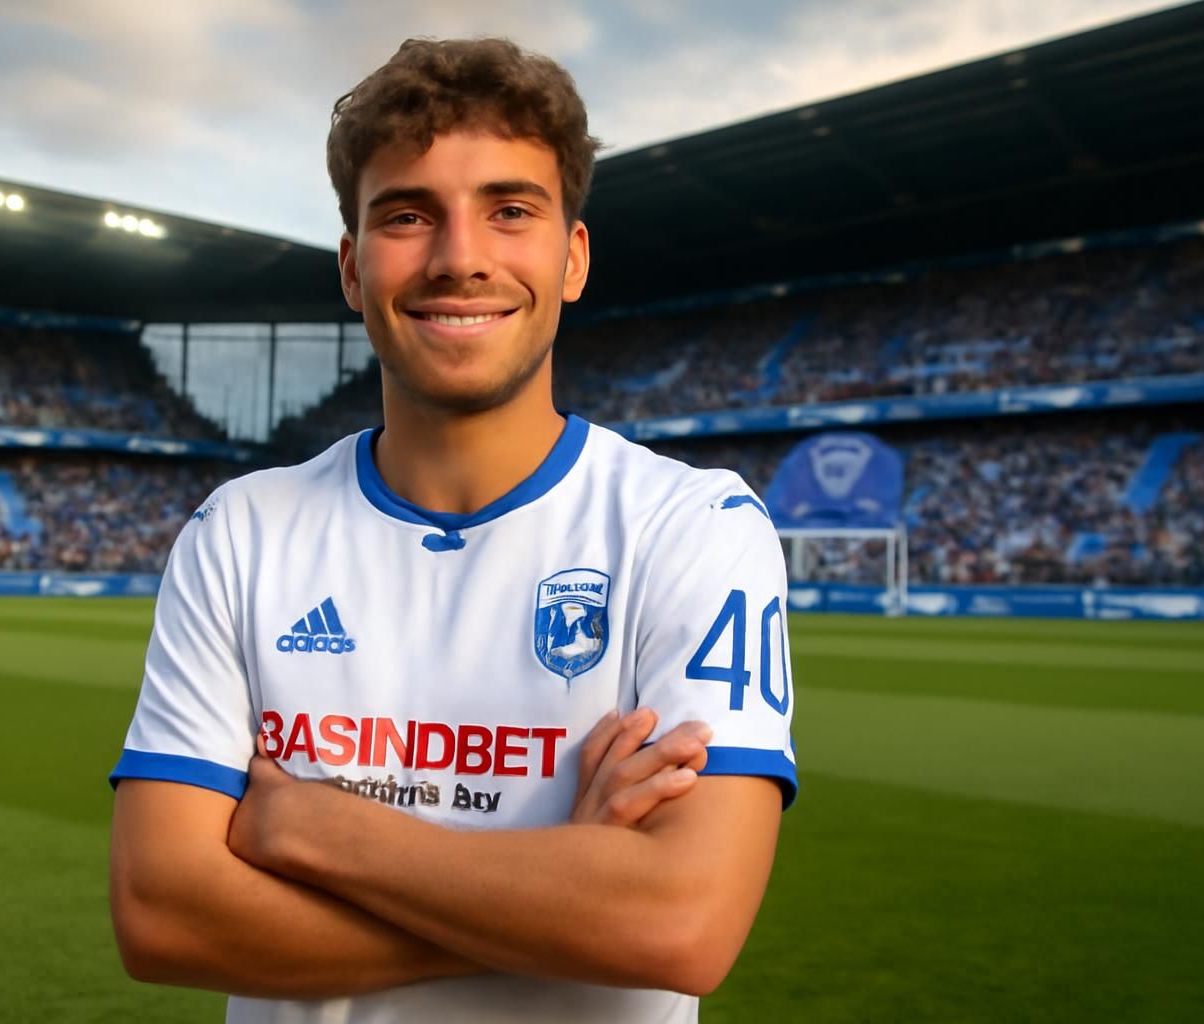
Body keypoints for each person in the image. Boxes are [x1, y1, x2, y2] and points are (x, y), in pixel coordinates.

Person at [107, 37, 797, 1024]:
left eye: (510, 210)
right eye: (407, 215)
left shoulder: (694, 526)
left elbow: (681, 926)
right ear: (352, 268)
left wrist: (316, 829)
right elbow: (162, 917)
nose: (460, 257)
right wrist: (569, 890)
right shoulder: (238, 533)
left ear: (573, 257)